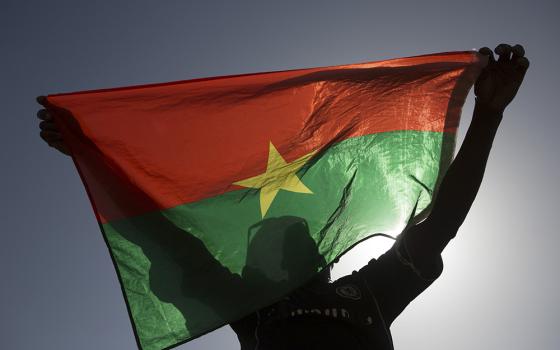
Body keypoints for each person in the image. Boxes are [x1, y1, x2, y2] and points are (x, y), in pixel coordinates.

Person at [36, 44, 529, 350]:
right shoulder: (249, 306)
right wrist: (94, 154)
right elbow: (167, 240)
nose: (293, 248)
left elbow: (441, 223)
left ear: (321, 252)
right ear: (259, 263)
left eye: (298, 240)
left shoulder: (371, 290)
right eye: (277, 243)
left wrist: (488, 114)